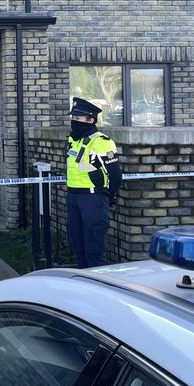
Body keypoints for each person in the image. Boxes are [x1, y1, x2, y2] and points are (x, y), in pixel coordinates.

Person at [66, 97, 122, 268]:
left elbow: (115, 175)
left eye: (78, 118)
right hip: (74, 197)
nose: (74, 122)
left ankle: (97, 287)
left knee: (94, 249)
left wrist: (108, 196)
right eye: (73, 118)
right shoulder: (73, 141)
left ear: (90, 119)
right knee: (78, 246)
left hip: (93, 198)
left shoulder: (101, 142)